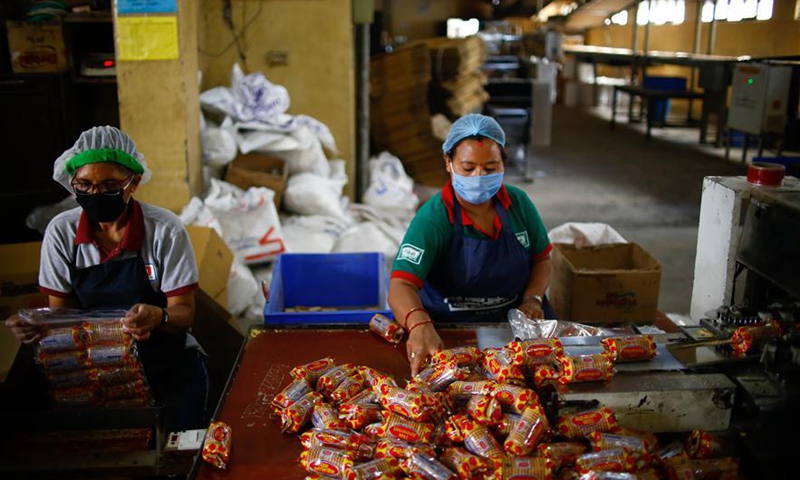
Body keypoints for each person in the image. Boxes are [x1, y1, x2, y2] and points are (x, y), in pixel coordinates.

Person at [4, 126, 208, 433]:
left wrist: (159, 315)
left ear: (133, 183)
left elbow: (184, 313)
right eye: (84, 185)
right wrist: (37, 324)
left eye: (109, 185)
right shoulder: (61, 232)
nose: (95, 194)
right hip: (88, 361)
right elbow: (62, 315)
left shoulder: (164, 230)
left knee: (179, 441)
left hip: (163, 359)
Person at [388, 114, 555, 376]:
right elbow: (401, 284)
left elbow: (542, 259)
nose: (479, 176)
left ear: (503, 164)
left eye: (490, 168)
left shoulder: (518, 204)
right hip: (449, 329)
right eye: (468, 168)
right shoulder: (434, 218)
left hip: (513, 326)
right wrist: (419, 323)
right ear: (448, 163)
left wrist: (533, 299)